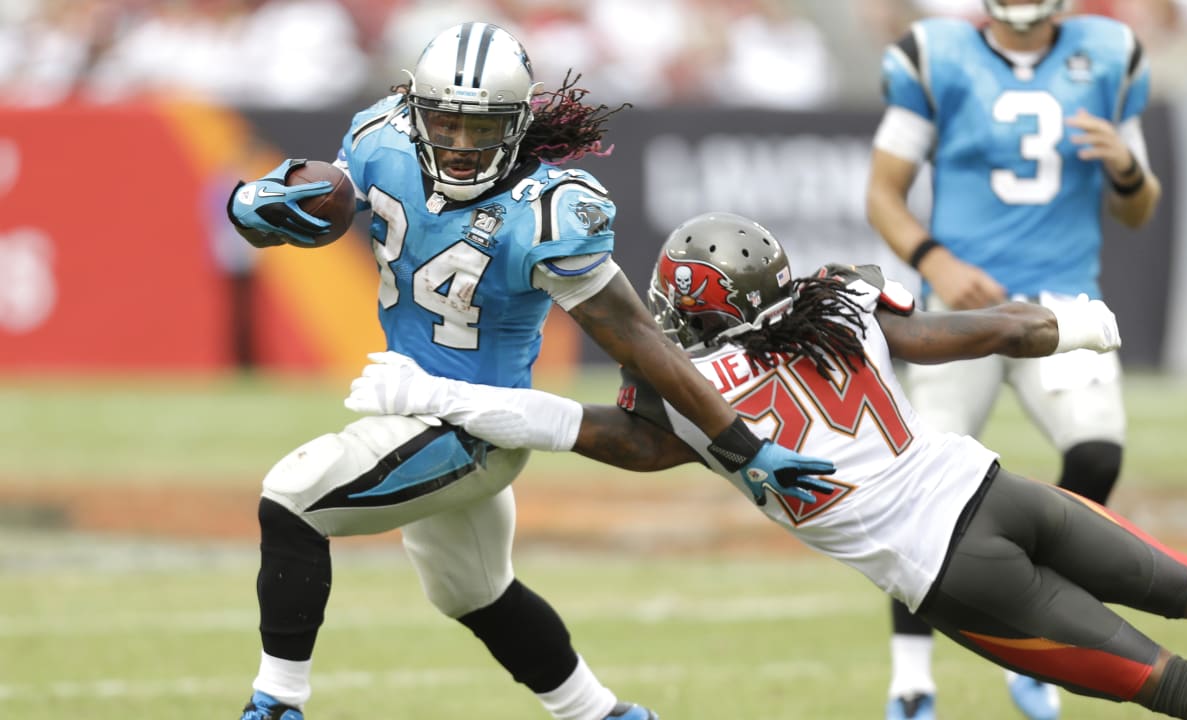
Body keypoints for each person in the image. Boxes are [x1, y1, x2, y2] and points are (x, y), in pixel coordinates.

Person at [345, 211, 1187, 720]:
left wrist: (441, 394)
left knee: (1163, 681)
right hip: (1001, 491)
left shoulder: (680, 392)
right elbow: (964, 332)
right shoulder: (838, 298)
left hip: (951, 572)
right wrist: (1064, 322)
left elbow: (563, 424)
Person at [223, 24, 834, 720]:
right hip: (408, 405)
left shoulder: (548, 212)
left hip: (473, 426)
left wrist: (743, 447)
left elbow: (638, 340)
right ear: (412, 111)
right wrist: (252, 205)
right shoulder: (380, 138)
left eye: (478, 128)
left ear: (517, 124)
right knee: (471, 591)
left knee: (293, 495)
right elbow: (312, 202)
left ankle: (276, 702)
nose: (456, 144)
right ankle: (605, 715)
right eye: (443, 121)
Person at [865, 0, 1165, 717]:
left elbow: (1140, 207)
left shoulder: (1108, 53)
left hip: (1060, 303)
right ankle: (911, 680)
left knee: (1097, 453)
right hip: (962, 310)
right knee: (918, 483)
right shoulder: (936, 55)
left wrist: (1126, 169)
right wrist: (935, 259)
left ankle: (1037, 634)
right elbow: (884, 194)